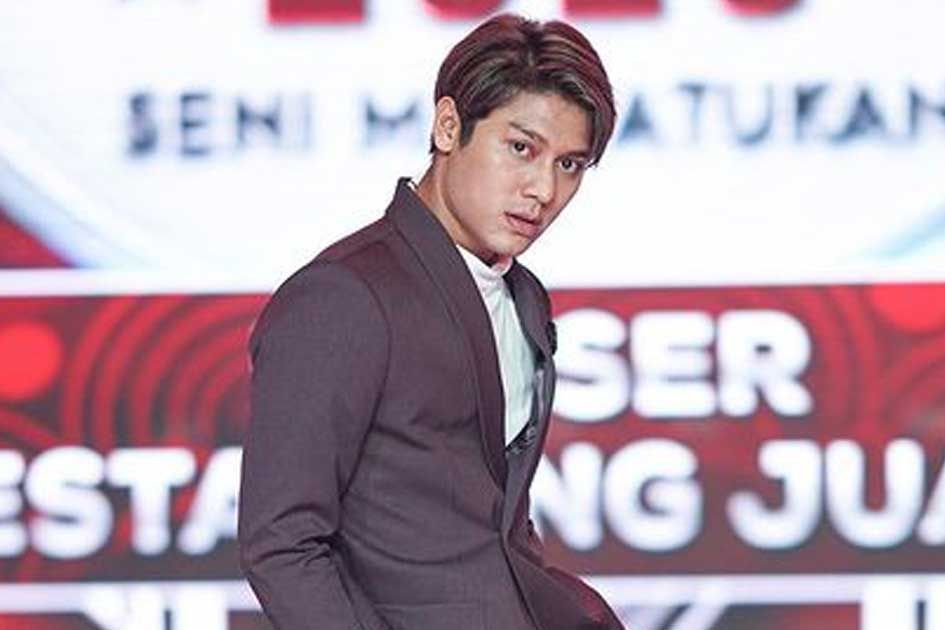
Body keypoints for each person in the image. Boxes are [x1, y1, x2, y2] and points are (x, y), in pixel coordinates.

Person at [238, 12, 622, 630]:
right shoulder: (343, 296)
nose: (543, 190)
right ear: (448, 126)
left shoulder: (524, 297)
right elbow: (281, 544)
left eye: (569, 165)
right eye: (521, 148)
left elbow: (492, 523)